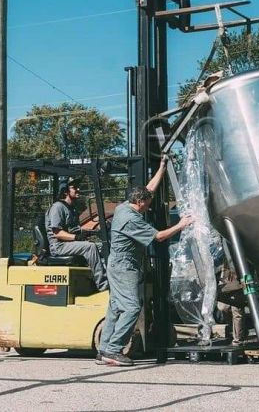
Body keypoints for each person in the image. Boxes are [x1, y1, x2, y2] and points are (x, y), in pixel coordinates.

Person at [98, 156, 193, 367]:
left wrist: (161, 167)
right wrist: (182, 224)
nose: (150, 203)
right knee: (132, 308)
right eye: (147, 202)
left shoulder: (125, 207)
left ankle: (104, 349)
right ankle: (113, 350)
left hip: (118, 264)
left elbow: (148, 189)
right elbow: (159, 237)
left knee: (115, 307)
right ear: (140, 203)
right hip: (125, 266)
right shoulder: (131, 219)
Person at [45, 181, 108, 292]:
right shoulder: (57, 207)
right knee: (90, 247)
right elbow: (57, 232)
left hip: (68, 244)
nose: (78, 189)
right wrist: (76, 237)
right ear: (65, 192)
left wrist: (90, 232)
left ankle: (112, 277)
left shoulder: (71, 208)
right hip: (59, 246)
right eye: (74, 187)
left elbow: (74, 229)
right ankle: (103, 285)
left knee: (104, 246)